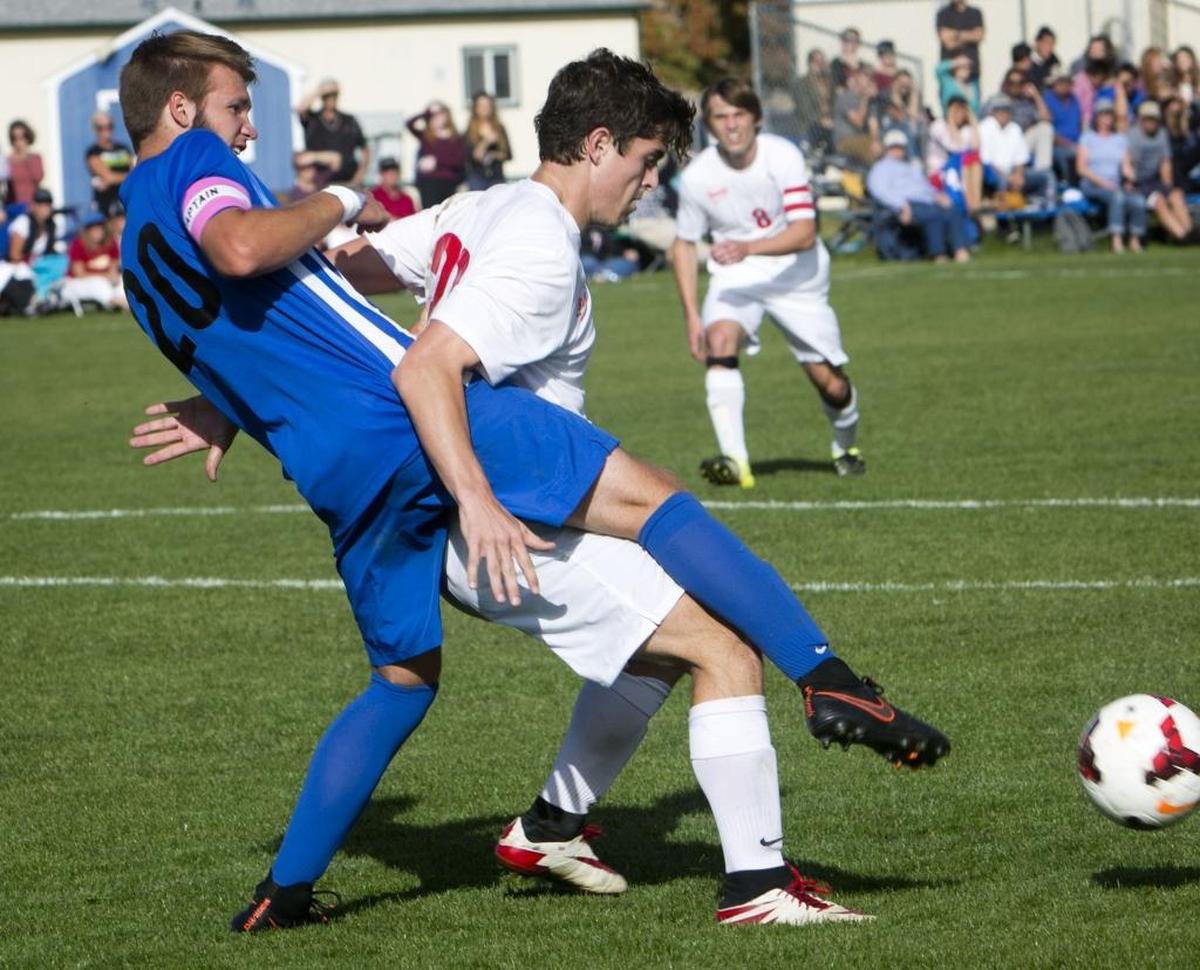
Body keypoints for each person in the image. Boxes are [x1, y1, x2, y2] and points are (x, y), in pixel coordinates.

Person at [121, 35, 949, 929]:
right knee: (674, 538)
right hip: (420, 431)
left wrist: (230, 405)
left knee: (403, 679)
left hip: (339, 477)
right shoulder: (205, 161)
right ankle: (812, 726)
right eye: (236, 107)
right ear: (180, 109)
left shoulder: (136, 252)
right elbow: (259, 258)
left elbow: (297, 301)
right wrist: (340, 197)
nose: (245, 132)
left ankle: (287, 894)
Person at [672, 78, 865, 486]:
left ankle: (846, 445)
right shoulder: (697, 177)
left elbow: (805, 233)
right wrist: (692, 316)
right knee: (720, 341)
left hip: (797, 274)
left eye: (739, 115)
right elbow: (684, 244)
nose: (731, 126)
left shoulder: (783, 156)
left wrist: (747, 248)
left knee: (830, 383)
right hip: (737, 276)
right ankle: (735, 462)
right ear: (709, 125)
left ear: (756, 118)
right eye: (720, 117)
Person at [869, 129, 971, 262]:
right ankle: (938, 253)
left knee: (951, 210)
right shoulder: (881, 168)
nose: (897, 151)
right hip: (906, 204)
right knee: (932, 214)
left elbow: (925, 188)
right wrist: (902, 205)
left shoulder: (911, 167)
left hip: (927, 201)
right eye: (893, 148)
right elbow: (880, 192)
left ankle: (960, 249)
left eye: (899, 147)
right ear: (887, 149)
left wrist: (937, 195)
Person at [1077, 98, 1142, 253]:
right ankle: (1116, 239)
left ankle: (1135, 239)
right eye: (1103, 114)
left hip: (1115, 185)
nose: (1107, 118)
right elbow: (1081, 168)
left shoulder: (1120, 139)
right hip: (1092, 184)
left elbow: (1126, 166)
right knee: (1117, 197)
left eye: (1109, 114)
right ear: (1096, 117)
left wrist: (1130, 179)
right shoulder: (1088, 138)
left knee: (1138, 200)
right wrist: (1103, 182)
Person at [1126, 100, 1192, 242]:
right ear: (1141, 119)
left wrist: (1167, 186)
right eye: (1148, 119)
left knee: (1176, 195)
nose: (1151, 122)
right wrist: (1130, 181)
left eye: (1154, 119)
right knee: (1159, 202)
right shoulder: (1132, 136)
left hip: (1155, 180)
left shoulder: (1161, 134)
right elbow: (1127, 162)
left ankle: (1190, 233)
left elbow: (1165, 162)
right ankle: (1182, 237)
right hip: (1139, 183)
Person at [984, 68, 1055, 187]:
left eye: (1019, 83)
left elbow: (1046, 118)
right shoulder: (995, 100)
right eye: (1011, 83)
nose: (1015, 86)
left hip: (1019, 141)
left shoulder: (1026, 103)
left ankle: (1042, 173)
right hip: (998, 146)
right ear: (1006, 83)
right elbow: (984, 126)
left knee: (1045, 128)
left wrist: (1036, 95)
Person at [978, 96, 1052, 204]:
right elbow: (987, 161)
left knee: (1047, 176)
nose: (1003, 113)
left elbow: (1020, 158)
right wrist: (1009, 178)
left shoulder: (1014, 128)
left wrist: (1019, 175)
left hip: (1013, 173)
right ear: (993, 112)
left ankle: (1043, 207)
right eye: (999, 110)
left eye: (1006, 110)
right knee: (1001, 181)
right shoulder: (984, 127)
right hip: (993, 174)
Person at [296, 78, 370, 186]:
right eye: (328, 96)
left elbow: (365, 149)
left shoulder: (349, 120)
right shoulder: (313, 120)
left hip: (349, 180)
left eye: (334, 95)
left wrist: (360, 174)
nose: (331, 99)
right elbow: (300, 109)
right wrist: (320, 90)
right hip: (322, 182)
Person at [59, 211, 127, 313]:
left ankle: (125, 302)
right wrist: (105, 275)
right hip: (77, 283)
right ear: (87, 230)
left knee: (122, 280)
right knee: (99, 284)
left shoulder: (111, 243)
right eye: (94, 228)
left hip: (105, 280)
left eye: (100, 227)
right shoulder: (78, 245)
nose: (99, 231)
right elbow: (79, 273)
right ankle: (119, 304)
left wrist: (113, 276)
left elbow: (113, 268)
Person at [927, 95, 983, 212]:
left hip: (959, 167)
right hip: (940, 171)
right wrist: (952, 122)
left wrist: (973, 122)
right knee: (967, 160)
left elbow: (976, 147)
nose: (960, 114)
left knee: (973, 159)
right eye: (956, 110)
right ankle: (971, 207)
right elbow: (955, 149)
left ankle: (975, 205)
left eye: (963, 110)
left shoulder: (966, 129)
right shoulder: (938, 126)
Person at [406, 101, 467, 207]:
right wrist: (426, 114)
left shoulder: (455, 138)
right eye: (434, 115)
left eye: (441, 113)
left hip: (449, 183)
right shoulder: (426, 136)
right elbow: (409, 124)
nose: (437, 117)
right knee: (430, 215)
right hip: (429, 183)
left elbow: (458, 161)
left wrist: (437, 161)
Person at [85, 111, 133, 216]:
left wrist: (113, 179)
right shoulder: (93, 152)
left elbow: (135, 172)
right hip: (105, 205)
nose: (106, 131)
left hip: (126, 201)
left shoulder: (123, 148)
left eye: (109, 126)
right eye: (100, 128)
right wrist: (127, 177)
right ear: (95, 129)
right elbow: (108, 176)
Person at [464, 92, 511, 191]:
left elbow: (508, 154)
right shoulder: (470, 131)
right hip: (477, 178)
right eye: (481, 105)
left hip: (496, 177)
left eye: (487, 105)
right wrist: (486, 142)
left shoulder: (499, 128)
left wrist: (493, 155)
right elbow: (474, 156)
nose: (484, 108)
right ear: (475, 108)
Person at [792, 49, 835, 154]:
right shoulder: (802, 83)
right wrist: (822, 120)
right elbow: (804, 110)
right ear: (810, 63)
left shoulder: (829, 83)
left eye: (822, 62)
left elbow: (834, 104)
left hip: (829, 124)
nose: (819, 64)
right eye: (816, 61)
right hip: (809, 125)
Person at [833, 69, 879, 167]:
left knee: (885, 146)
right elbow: (858, 121)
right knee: (870, 149)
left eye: (870, 80)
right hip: (844, 140)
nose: (869, 83)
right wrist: (865, 98)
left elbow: (873, 124)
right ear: (857, 81)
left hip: (863, 139)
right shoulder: (846, 97)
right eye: (866, 79)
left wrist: (875, 142)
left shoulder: (871, 102)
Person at [6, 187, 63, 264]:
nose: (44, 208)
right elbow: (14, 255)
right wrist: (31, 264)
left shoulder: (52, 226)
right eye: (40, 205)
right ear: (33, 206)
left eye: (47, 204)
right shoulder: (23, 222)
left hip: (41, 269)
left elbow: (50, 251)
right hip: (18, 267)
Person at [1045, 69, 1083, 182]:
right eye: (1060, 82)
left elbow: (1080, 123)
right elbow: (1050, 132)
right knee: (1067, 155)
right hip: (1057, 146)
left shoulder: (1074, 99)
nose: (1064, 85)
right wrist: (1071, 145)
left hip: (1078, 143)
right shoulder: (1048, 99)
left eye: (1067, 82)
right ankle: (1068, 184)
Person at [936, 1, 985, 83]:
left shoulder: (975, 13)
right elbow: (947, 42)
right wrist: (969, 35)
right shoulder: (943, 14)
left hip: (972, 71)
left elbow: (978, 36)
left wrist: (955, 35)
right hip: (949, 73)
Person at [5, 120, 44, 206]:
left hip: (31, 207)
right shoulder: (7, 161)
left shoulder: (35, 158)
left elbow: (38, 177)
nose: (18, 142)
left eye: (21, 138)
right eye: (14, 138)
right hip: (12, 207)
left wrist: (25, 158)